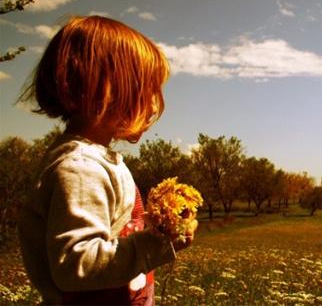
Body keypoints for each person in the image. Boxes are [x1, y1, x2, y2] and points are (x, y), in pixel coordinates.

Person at [17, 16, 197, 306]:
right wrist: (156, 244)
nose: (154, 103)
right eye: (149, 88)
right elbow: (77, 266)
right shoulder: (80, 168)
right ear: (108, 88)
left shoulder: (96, 160)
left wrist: (162, 226)